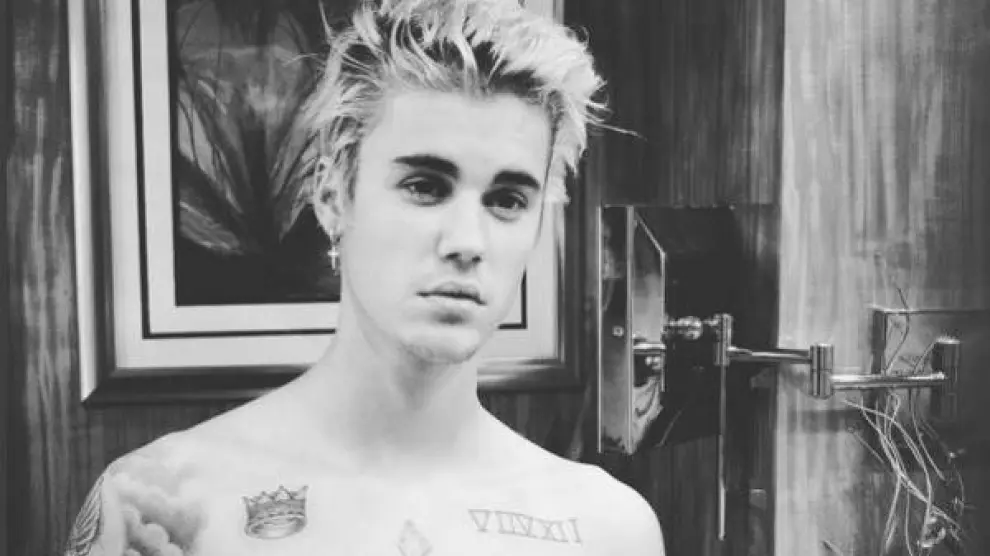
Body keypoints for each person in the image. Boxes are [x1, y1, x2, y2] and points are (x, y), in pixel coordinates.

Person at [65, 0, 666, 554]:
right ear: (332, 196)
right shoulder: (161, 505)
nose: (467, 241)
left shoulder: (605, 529)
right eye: (424, 186)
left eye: (507, 199)